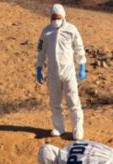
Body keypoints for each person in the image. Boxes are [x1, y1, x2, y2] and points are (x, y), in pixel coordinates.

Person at [36, 4, 87, 140]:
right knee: (55, 103)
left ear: (63, 17)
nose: (55, 19)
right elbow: (41, 51)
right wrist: (39, 68)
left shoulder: (71, 30)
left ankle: (77, 129)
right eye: (53, 17)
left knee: (73, 102)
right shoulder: (46, 32)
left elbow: (79, 48)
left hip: (69, 72)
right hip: (53, 74)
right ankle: (59, 127)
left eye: (58, 17)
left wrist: (82, 66)